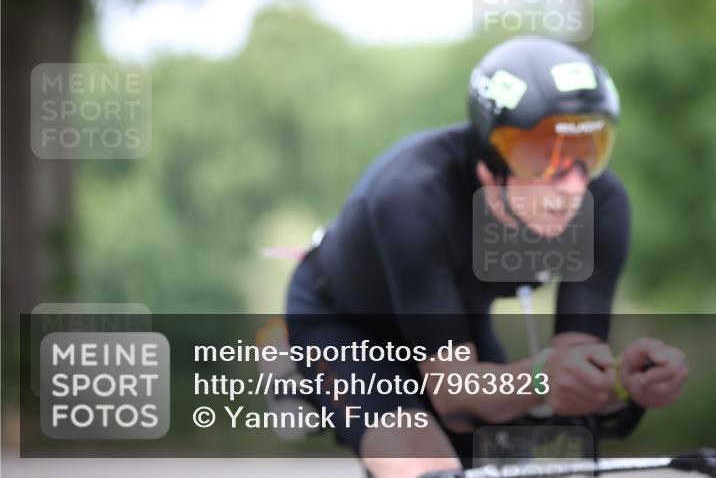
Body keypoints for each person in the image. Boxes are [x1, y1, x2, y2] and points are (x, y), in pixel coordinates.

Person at [285, 36, 688, 478]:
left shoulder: (602, 204)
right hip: (343, 324)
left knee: (507, 463)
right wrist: (537, 378)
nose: (572, 186)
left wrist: (621, 383)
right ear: (489, 162)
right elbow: (454, 393)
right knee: (428, 467)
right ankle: (291, 363)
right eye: (541, 158)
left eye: (586, 151)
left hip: (455, 323)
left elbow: (573, 373)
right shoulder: (414, 194)